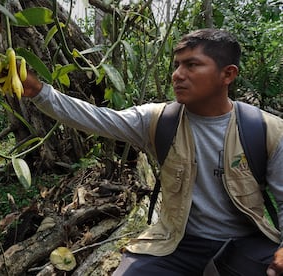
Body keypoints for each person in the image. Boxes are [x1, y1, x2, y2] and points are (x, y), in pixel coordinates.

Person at [22, 28, 283, 275]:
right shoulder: (158, 120)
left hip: (244, 243)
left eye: (192, 65)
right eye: (177, 65)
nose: (178, 75)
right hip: (175, 243)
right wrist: (38, 92)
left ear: (227, 74)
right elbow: (95, 118)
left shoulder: (265, 129)